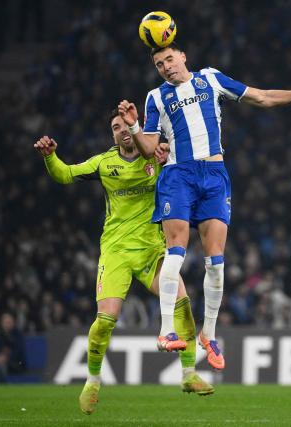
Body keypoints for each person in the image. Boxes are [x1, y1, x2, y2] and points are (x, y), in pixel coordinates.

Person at [118, 43, 291, 370]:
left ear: (183, 57)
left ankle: (208, 336)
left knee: (216, 263)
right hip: (178, 175)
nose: (166, 67)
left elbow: (262, 97)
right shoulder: (155, 98)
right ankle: (166, 330)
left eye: (169, 59)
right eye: (159, 64)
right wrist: (135, 126)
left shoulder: (211, 79)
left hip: (214, 175)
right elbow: (150, 147)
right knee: (175, 251)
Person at [34, 109, 213, 416]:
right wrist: (51, 157)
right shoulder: (104, 163)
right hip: (116, 252)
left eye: (125, 125)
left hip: (152, 252)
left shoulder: (154, 156)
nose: (122, 130)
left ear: (135, 128)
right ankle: (92, 381)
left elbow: (186, 162)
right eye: (115, 128)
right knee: (105, 321)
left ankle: (188, 375)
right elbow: (65, 174)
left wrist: (169, 151)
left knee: (182, 301)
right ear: (112, 135)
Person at [0, 312, 27, 384]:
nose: (7, 325)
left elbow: (18, 353)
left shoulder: (18, 335)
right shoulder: (0, 336)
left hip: (17, 364)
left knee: (1, 367)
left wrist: (5, 358)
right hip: (2, 364)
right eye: (6, 322)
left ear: (13, 323)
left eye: (9, 322)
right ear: (2, 323)